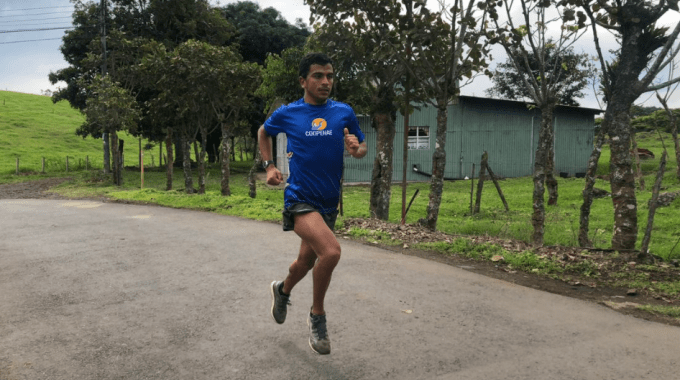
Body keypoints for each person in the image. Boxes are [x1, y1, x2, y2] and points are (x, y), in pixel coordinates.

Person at [257, 52, 368, 355]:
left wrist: (356, 148)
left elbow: (360, 149)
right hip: (300, 199)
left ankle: (282, 290)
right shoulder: (288, 113)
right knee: (330, 252)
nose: (325, 82)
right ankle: (317, 315)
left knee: (306, 262)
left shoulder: (344, 112)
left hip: (329, 202)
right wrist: (269, 166)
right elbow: (263, 132)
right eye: (318, 76)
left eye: (330, 76)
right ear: (303, 81)